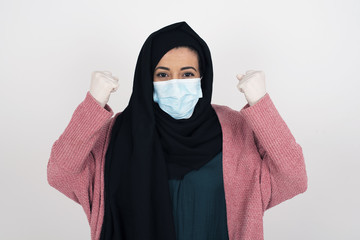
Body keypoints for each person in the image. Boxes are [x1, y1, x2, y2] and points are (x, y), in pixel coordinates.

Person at [47, 21, 308, 240]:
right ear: (145, 78)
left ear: (203, 78)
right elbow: (61, 173)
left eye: (187, 74)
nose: (175, 84)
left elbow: (294, 178)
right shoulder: (117, 135)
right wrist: (94, 103)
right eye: (162, 75)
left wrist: (260, 103)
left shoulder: (236, 129)